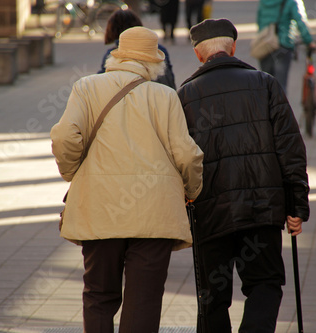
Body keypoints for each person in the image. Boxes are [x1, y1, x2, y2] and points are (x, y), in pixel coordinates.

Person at [51, 26, 204, 333]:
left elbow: (65, 135)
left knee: (98, 295)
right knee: (143, 301)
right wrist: (192, 190)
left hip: (100, 209)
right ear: (154, 63)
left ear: (116, 57)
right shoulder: (166, 96)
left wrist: (72, 172)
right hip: (154, 214)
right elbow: (187, 155)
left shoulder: (86, 87)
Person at [177, 18, 310, 333]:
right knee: (265, 281)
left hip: (209, 212)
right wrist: (296, 205)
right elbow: (291, 148)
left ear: (198, 54)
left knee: (212, 298)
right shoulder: (265, 83)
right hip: (261, 209)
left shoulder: (184, 95)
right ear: (233, 48)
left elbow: (179, 158)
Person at [98, 9, 176, 89]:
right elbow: (170, 81)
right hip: (161, 96)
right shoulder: (160, 51)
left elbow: (102, 84)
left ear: (112, 30)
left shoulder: (111, 55)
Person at [255, 0, 316, 92]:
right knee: (280, 85)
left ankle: (265, 105)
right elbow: (300, 21)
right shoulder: (292, 1)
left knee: (266, 85)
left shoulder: (264, 1)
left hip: (265, 45)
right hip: (283, 45)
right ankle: (279, 106)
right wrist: (309, 41)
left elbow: (259, 21)